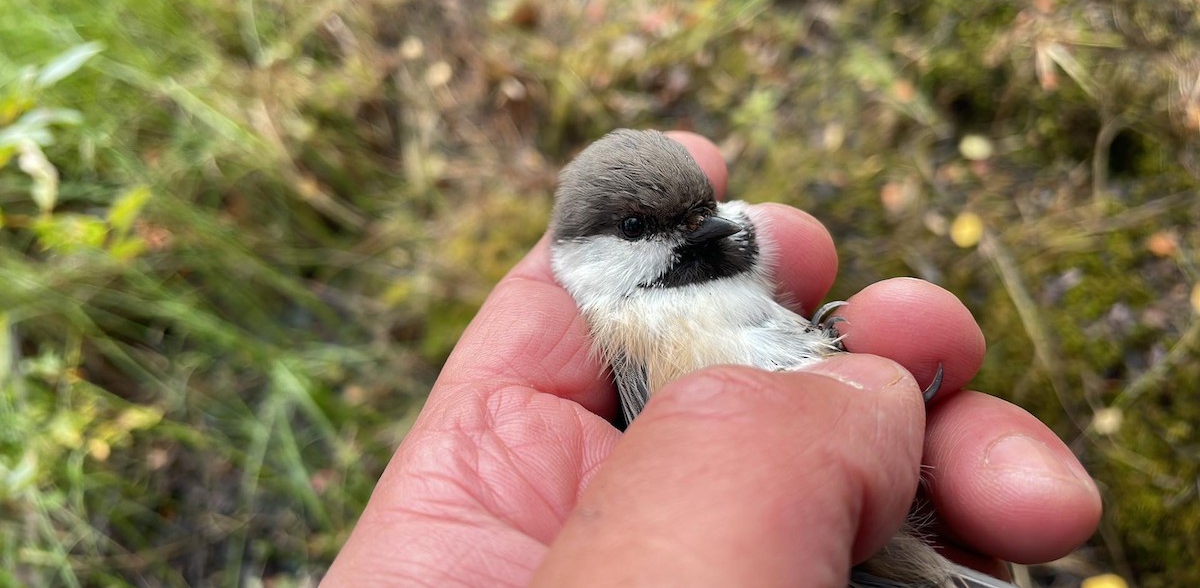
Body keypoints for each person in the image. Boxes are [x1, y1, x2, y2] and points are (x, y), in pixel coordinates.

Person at [322, 132, 1101, 587]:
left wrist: (827, 349)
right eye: (640, 225)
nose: (703, 230)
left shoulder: (732, 245)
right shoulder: (615, 324)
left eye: (702, 213)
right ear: (590, 248)